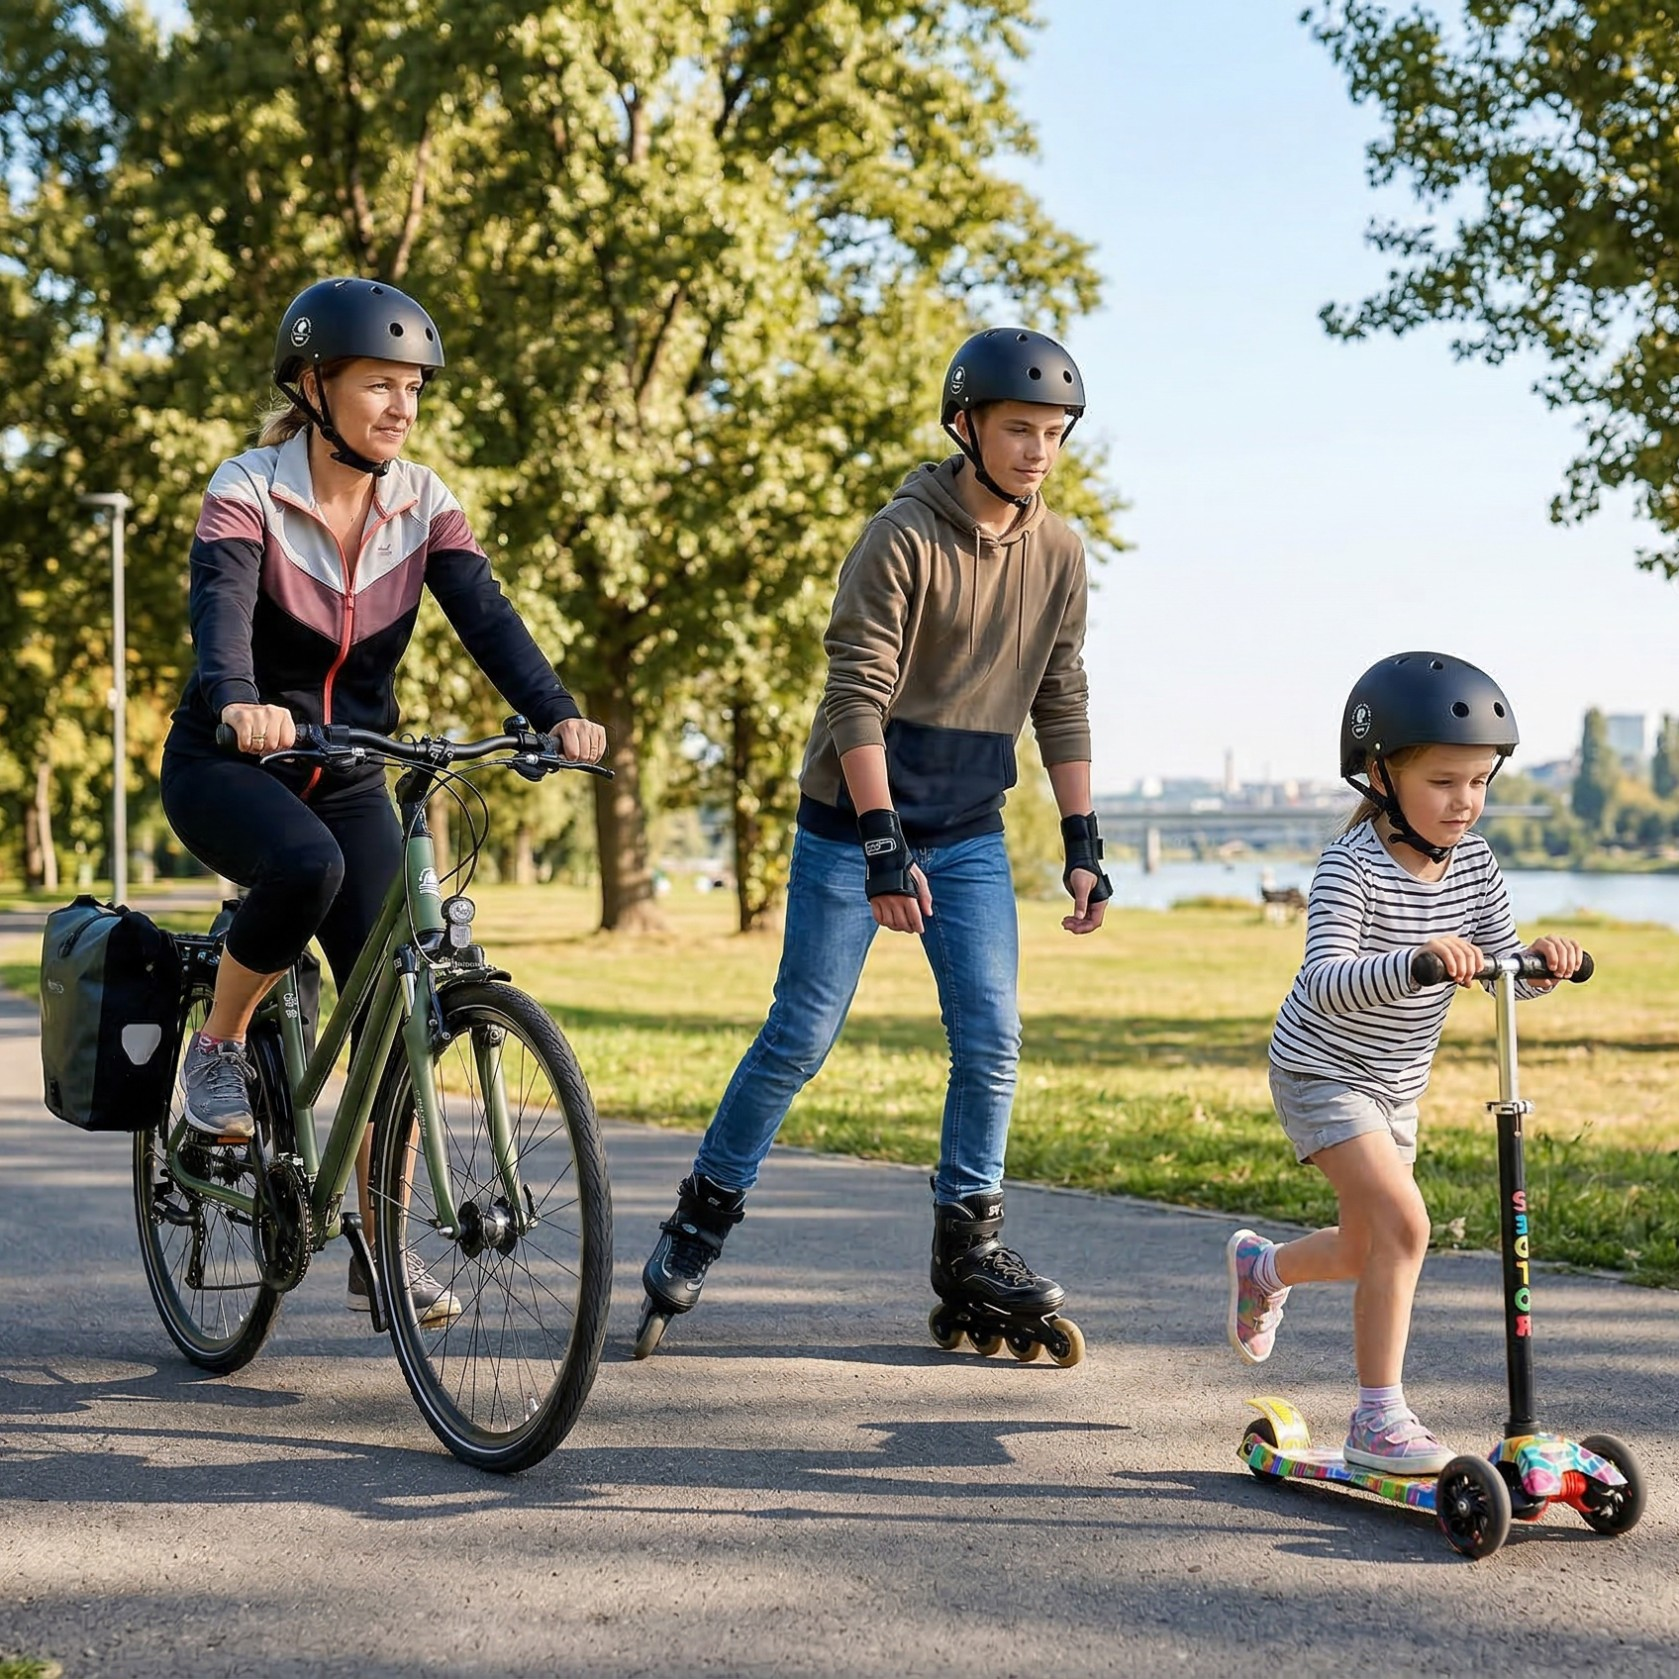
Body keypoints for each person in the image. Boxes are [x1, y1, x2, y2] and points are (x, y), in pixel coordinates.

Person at [633, 326, 1112, 1357]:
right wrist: (882, 844)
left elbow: (1061, 694)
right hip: (855, 825)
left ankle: (969, 1245)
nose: (1036, 450)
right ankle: (699, 1219)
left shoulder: (1061, 552)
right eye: (1018, 429)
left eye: (1053, 432)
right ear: (964, 425)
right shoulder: (900, 537)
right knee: (800, 1033)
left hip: (969, 830)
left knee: (990, 1038)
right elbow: (853, 696)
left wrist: (1081, 838)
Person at [160, 276, 605, 1325]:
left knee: (391, 1007)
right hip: (230, 760)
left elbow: (487, 615)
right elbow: (220, 609)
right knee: (303, 866)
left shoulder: (423, 501)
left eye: (413, 388)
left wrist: (554, 712)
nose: (402, 406)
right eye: (378, 384)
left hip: (350, 765)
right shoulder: (250, 488)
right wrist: (238, 700)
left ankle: (380, 1244)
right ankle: (216, 1049)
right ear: (314, 386)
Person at [1225, 652, 1581, 1472]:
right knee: (1406, 1225)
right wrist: (1414, 961)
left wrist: (1543, 963)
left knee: (1365, 1246)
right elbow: (1323, 980)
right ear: (1380, 774)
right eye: (1443, 781)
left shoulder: (1476, 865)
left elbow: (1500, 972)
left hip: (1394, 1087)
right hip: (1320, 1070)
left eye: (1478, 781)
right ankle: (1377, 1419)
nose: (1464, 801)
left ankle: (1262, 1268)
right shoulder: (1348, 866)